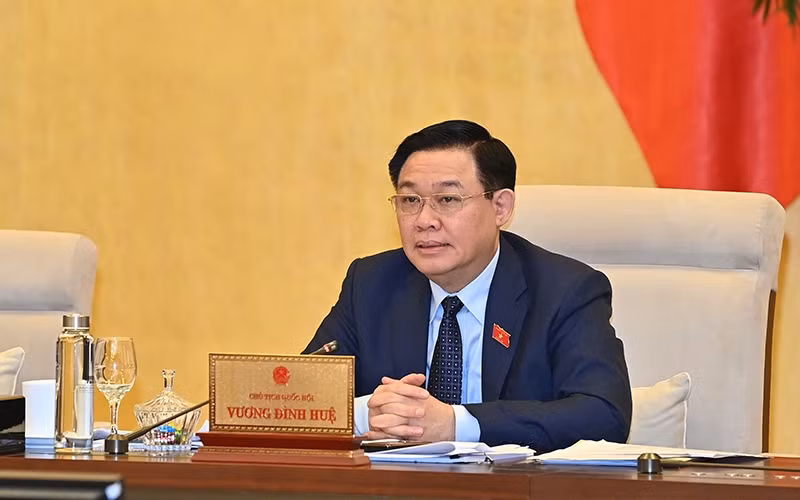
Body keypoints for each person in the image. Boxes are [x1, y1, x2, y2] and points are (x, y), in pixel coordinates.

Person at [303, 120, 631, 453]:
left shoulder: (565, 290)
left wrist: (456, 424)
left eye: (447, 199)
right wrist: (369, 413)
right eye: (410, 200)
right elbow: (298, 401)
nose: (424, 220)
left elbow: (604, 415)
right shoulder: (372, 284)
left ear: (500, 207)